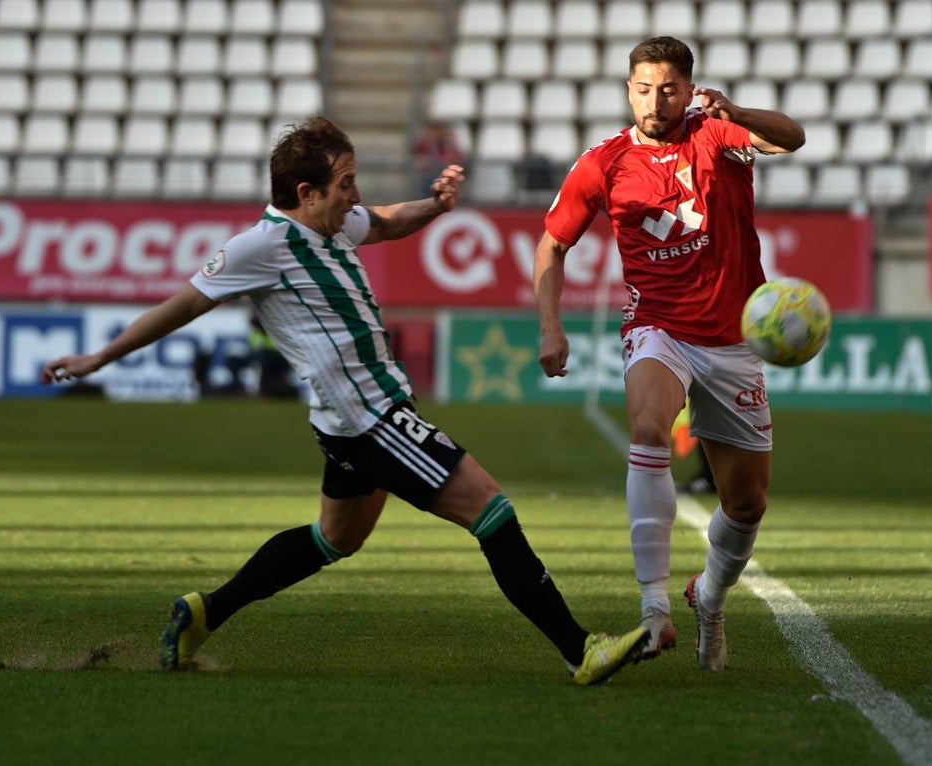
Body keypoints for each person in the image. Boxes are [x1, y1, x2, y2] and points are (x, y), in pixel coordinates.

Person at [42, 116, 648, 685]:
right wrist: (99, 358)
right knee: (491, 510)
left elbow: (386, 221)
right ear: (306, 193)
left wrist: (434, 206)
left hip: (349, 422)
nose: (354, 196)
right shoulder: (259, 247)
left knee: (335, 539)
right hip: (370, 420)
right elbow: (182, 305)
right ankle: (581, 649)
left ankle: (203, 612)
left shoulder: (334, 224)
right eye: (345, 184)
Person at [533, 37, 804, 670]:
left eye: (670, 89)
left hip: (735, 336)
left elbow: (791, 136)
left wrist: (734, 110)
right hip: (658, 328)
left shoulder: (718, 136)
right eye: (644, 88)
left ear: (690, 88)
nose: (656, 101)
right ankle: (655, 614)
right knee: (649, 428)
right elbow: (551, 247)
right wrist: (551, 327)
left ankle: (708, 597)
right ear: (629, 89)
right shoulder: (603, 162)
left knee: (746, 503)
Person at [413, 120, 466, 198]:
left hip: (443, 176)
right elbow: (418, 155)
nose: (436, 133)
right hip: (428, 176)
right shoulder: (426, 143)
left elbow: (458, 157)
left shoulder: (448, 144)